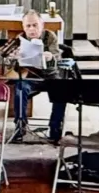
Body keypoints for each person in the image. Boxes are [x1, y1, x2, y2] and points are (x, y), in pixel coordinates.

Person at [10, 10, 63, 143]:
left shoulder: (50, 36)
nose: (32, 29)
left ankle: (55, 128)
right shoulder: (20, 39)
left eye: (35, 25)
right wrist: (14, 58)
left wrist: (51, 56)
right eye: (28, 26)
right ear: (23, 27)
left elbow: (57, 56)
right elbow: (11, 65)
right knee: (20, 89)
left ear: (42, 25)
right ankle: (20, 127)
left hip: (49, 76)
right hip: (30, 77)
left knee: (63, 91)